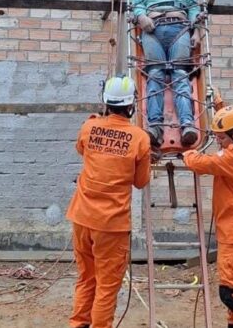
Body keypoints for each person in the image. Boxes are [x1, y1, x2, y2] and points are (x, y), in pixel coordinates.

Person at [65, 76, 152, 328]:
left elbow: (82, 149)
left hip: (82, 218)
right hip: (111, 226)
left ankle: (79, 324)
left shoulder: (88, 127)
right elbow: (140, 181)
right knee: (106, 287)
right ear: (131, 105)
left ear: (106, 102)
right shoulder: (139, 138)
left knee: (86, 278)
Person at [181, 105, 233, 328]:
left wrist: (186, 153)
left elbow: (201, 163)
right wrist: (220, 108)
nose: (219, 143)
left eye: (221, 139)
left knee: (231, 293)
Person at [132, 0, 207, 148]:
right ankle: (155, 127)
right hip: (152, 27)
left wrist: (197, 32)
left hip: (180, 27)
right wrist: (141, 17)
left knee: (181, 76)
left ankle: (187, 125)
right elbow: (137, 2)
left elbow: (193, 7)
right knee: (154, 74)